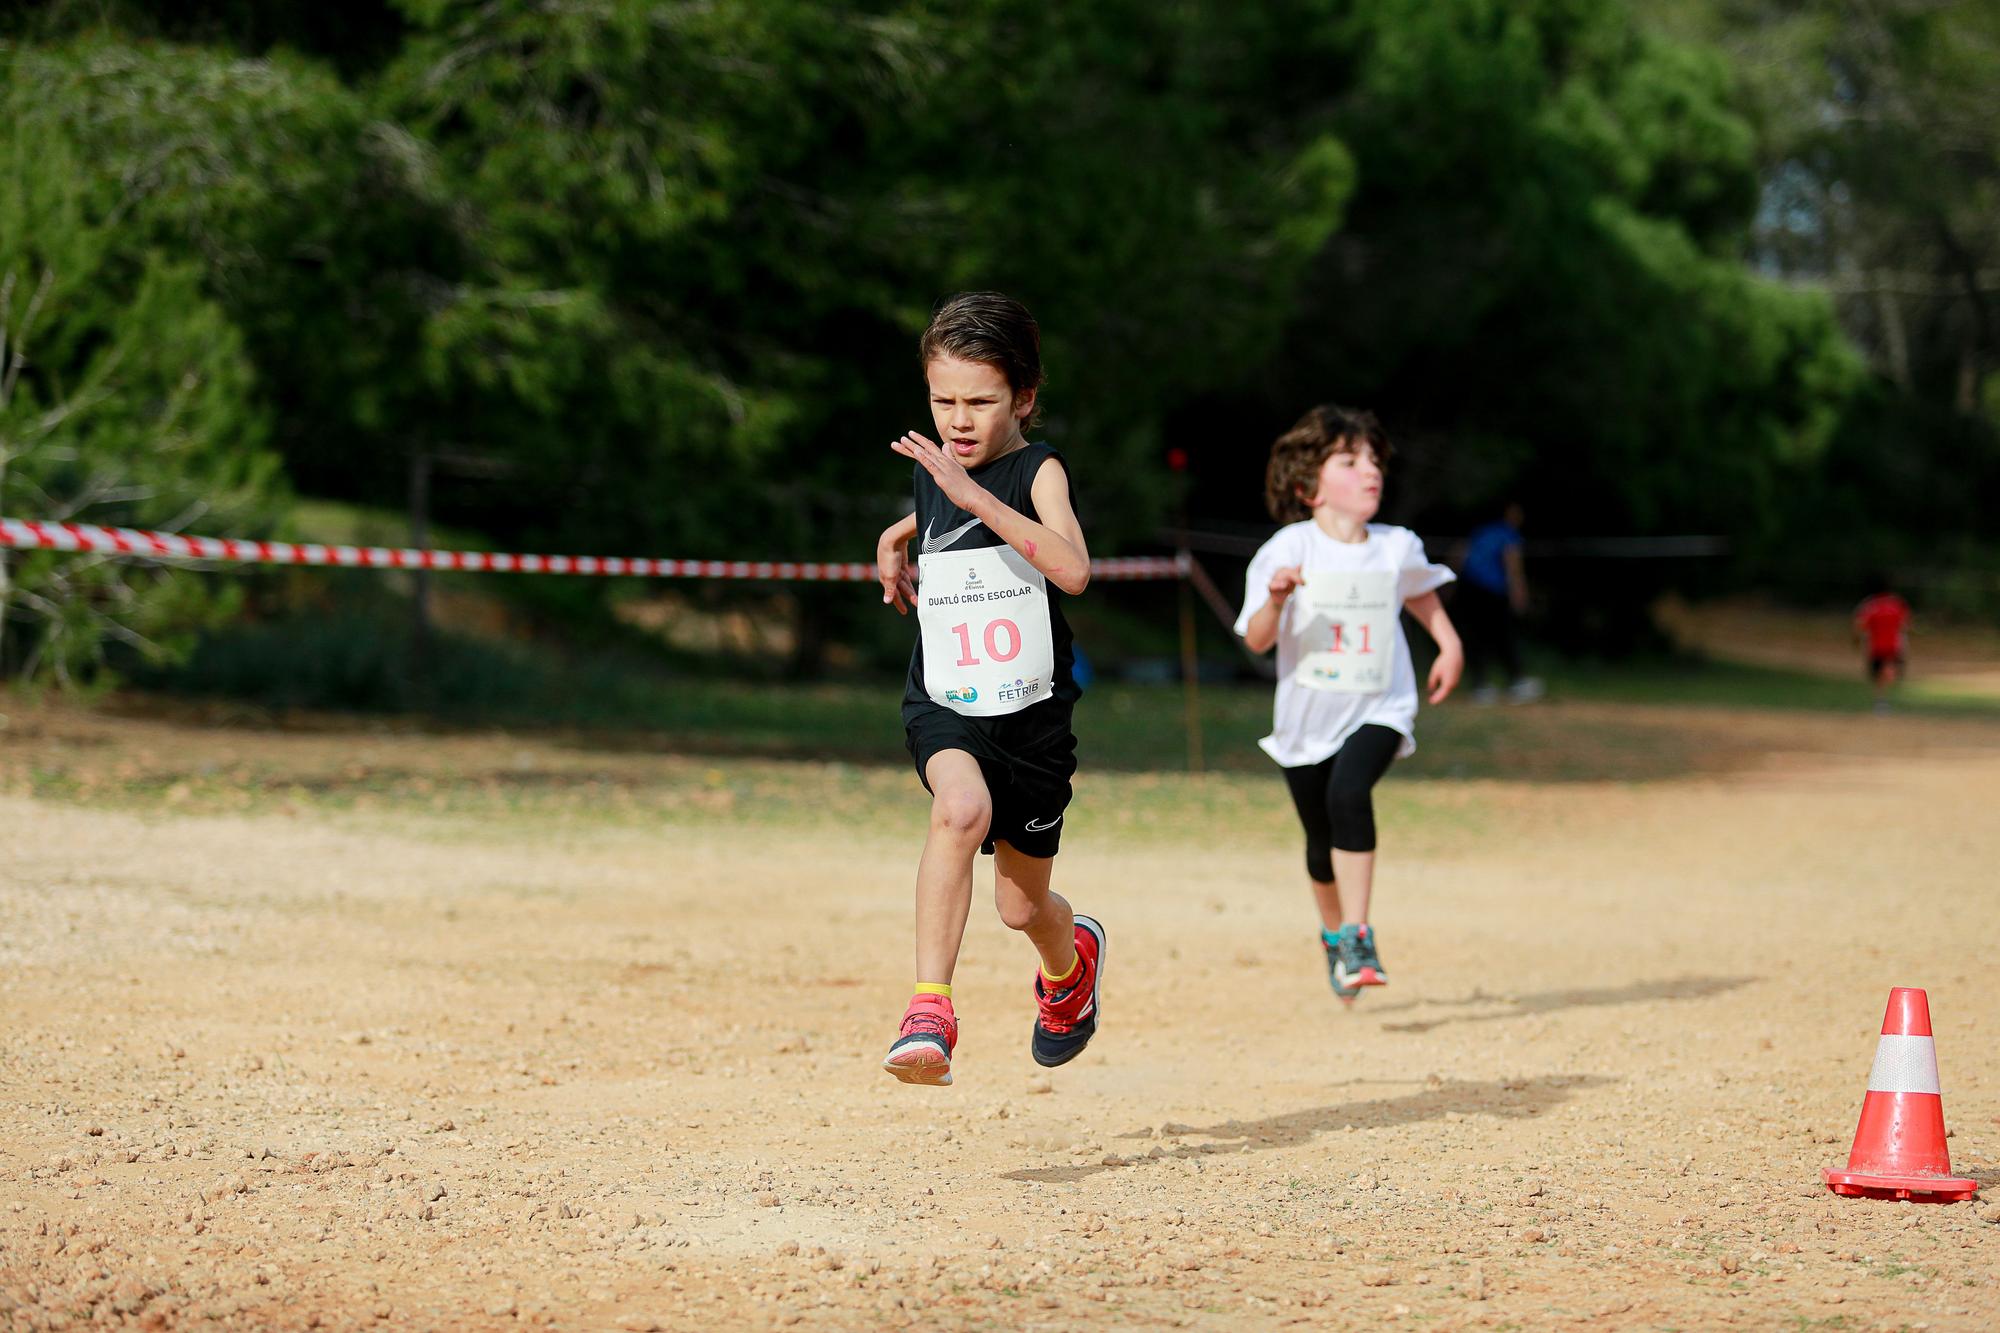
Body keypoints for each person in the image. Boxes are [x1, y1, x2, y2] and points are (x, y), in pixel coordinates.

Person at [871, 292, 1104, 1086]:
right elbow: (937, 517)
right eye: (943, 401)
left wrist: (975, 498)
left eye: (981, 402)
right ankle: (929, 1006)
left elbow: (1072, 568)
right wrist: (895, 536)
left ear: (1025, 398)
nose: (959, 421)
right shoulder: (940, 463)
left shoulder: (1038, 471)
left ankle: (1070, 969)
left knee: (1022, 908)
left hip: (1032, 719)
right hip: (947, 698)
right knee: (959, 809)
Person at [1234, 405, 1462, 1002]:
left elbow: (1420, 593)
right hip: (1306, 722)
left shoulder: (1396, 547)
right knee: (1319, 837)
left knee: (1349, 795)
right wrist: (1278, 599)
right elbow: (1257, 640)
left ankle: (1358, 935)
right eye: (1350, 460)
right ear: (1310, 485)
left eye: (1374, 461)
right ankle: (1334, 936)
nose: (1370, 471)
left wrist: (1448, 642)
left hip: (1380, 706)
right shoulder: (1289, 549)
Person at [1458, 501, 1541, 704]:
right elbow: (1512, 564)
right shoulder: (1507, 534)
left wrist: (1450, 586)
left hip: (1470, 589)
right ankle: (1516, 681)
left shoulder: (1482, 531)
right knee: (1503, 635)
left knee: (1477, 636)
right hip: (1492, 590)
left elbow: (1460, 553)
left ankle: (1480, 686)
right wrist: (1519, 592)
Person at [1853, 575, 1912, 713]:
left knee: (1879, 675)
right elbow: (1906, 625)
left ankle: (1881, 701)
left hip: (1876, 646)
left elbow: (1859, 626)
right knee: (1889, 672)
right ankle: (1884, 701)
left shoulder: (1869, 605)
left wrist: (1856, 641)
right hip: (1894, 645)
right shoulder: (1897, 604)